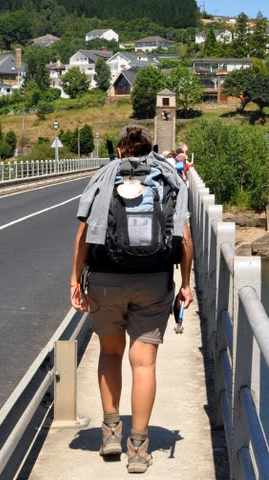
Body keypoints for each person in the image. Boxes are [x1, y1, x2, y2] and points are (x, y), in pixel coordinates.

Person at [70, 125, 194, 474]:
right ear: (149, 149)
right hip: (153, 281)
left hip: (106, 280)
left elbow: (83, 233)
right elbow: (183, 238)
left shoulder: (104, 176)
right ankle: (138, 448)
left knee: (110, 353)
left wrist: (74, 280)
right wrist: (186, 284)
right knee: (144, 363)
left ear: (121, 150)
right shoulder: (169, 177)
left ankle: (110, 433)